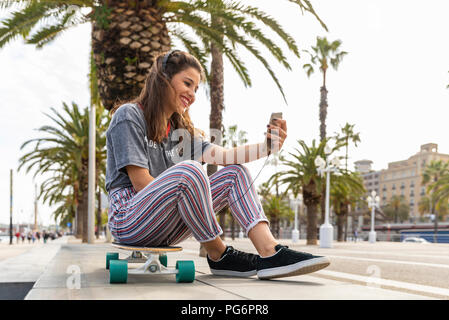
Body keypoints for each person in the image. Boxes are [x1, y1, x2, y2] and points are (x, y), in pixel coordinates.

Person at [105, 50, 330, 280]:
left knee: (235, 173)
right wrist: (189, 196)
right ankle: (219, 253)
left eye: (196, 89)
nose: (192, 94)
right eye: (187, 83)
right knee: (190, 171)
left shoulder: (180, 132)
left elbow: (225, 155)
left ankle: (270, 252)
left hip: (165, 224)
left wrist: (267, 147)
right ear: (164, 79)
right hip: (129, 219)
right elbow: (142, 184)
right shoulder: (129, 116)